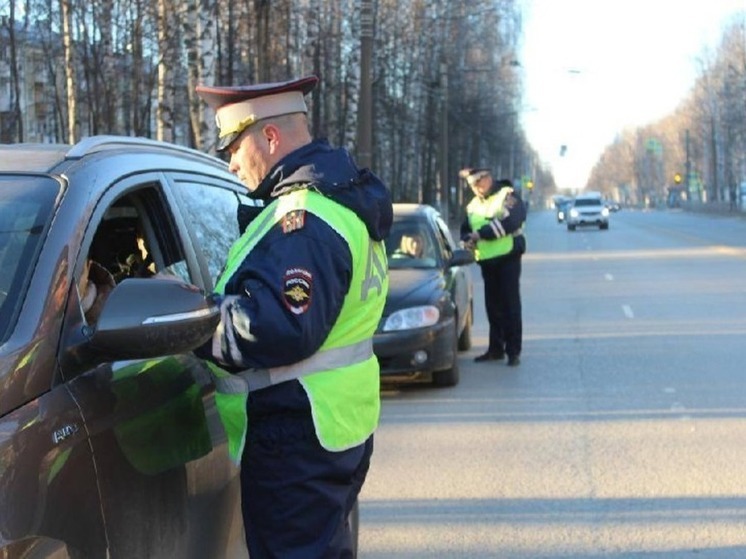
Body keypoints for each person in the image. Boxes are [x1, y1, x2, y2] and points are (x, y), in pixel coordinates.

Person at [195, 76, 392, 558]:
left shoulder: (301, 219)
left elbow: (276, 327)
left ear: (270, 137)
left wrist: (197, 319)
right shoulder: (341, 202)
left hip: (296, 439)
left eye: (234, 146)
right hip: (332, 427)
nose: (231, 162)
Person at [459, 168, 526, 367]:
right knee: (492, 306)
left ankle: (513, 351)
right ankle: (495, 348)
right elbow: (466, 229)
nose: (477, 188)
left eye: (479, 183)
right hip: (487, 261)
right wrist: (467, 240)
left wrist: (481, 234)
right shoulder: (473, 205)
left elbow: (512, 220)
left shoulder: (507, 195)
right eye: (473, 186)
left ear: (488, 178)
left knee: (510, 306)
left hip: (508, 257)